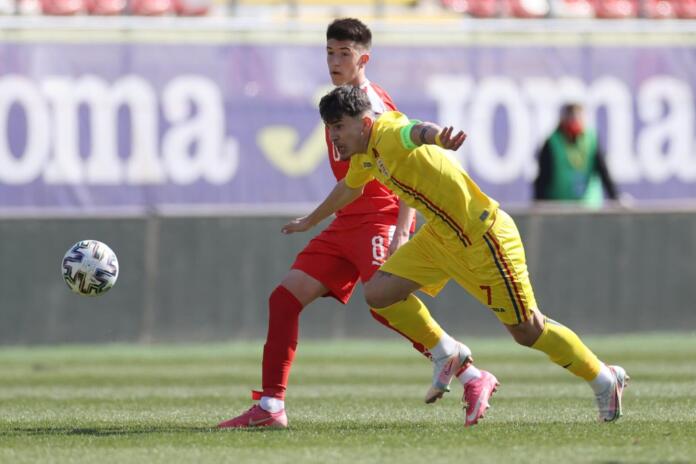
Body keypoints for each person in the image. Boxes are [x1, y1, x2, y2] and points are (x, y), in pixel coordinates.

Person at [281, 85, 629, 423]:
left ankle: (603, 378)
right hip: (441, 236)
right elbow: (349, 187)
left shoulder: (386, 131)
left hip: (483, 236)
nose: (334, 136)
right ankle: (447, 352)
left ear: (365, 123)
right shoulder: (366, 154)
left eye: (339, 127)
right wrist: (311, 220)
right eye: (330, 129)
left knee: (527, 330)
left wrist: (438, 137)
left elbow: (415, 132)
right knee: (378, 293)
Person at [218, 18, 497, 430]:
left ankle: (470, 372)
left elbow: (411, 162)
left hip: (380, 216)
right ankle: (271, 406)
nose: (333, 60)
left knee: (384, 303)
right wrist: (313, 220)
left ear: (363, 58)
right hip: (348, 220)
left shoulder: (374, 106)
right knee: (284, 299)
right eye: (329, 52)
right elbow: (350, 181)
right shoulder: (341, 101)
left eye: (343, 53)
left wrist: (402, 230)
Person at [534, 103, 620, 208]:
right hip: (559, 208)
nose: (574, 120)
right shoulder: (552, 142)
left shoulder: (591, 139)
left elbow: (603, 172)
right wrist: (539, 202)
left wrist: (615, 197)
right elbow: (543, 178)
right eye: (571, 116)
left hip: (589, 206)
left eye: (577, 117)